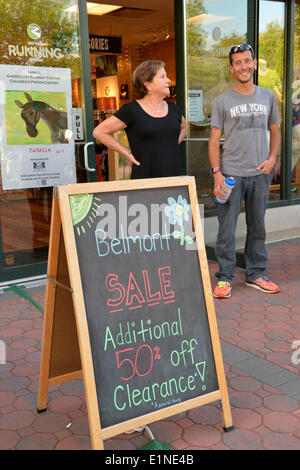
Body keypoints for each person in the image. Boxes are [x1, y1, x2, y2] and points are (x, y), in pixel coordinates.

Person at [208, 44, 281, 299]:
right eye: (237, 62)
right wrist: (216, 172)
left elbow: (275, 131)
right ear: (231, 68)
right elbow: (213, 139)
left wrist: (272, 159)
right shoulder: (223, 101)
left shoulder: (268, 97)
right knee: (226, 228)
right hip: (230, 174)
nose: (243, 66)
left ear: (254, 64)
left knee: (257, 226)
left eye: (247, 61)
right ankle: (225, 277)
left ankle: (256, 274)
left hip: (259, 173)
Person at [93, 60, 187, 179]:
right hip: (145, 180)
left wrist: (170, 145)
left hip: (174, 179)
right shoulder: (132, 110)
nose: (168, 80)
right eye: (163, 77)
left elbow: (184, 127)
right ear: (147, 85)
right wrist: (127, 154)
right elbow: (99, 132)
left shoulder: (174, 109)